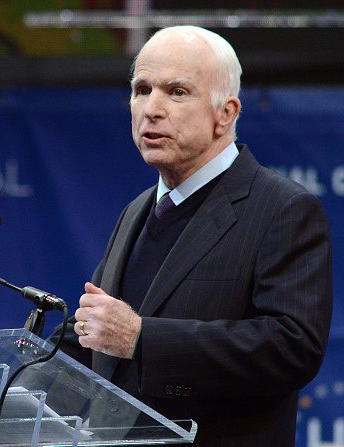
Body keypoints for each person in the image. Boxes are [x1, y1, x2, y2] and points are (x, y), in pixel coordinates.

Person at [60, 26, 333, 446]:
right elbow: (97, 335)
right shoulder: (136, 210)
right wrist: (23, 374)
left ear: (225, 113)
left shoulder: (281, 208)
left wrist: (142, 338)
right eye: (141, 88)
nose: (151, 108)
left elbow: (291, 348)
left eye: (176, 92)